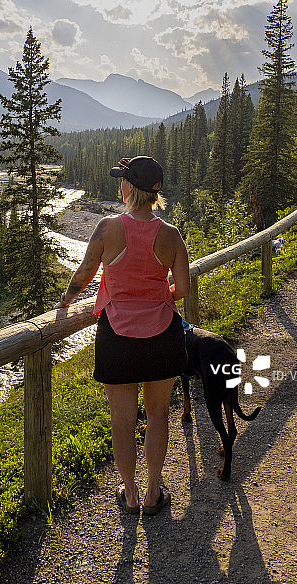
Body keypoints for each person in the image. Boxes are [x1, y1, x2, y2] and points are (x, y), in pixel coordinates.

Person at [54, 156, 190, 515]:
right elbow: (183, 290)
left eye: (122, 180)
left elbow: (83, 274)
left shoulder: (107, 228)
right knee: (158, 414)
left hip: (117, 337)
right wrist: (163, 295)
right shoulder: (172, 235)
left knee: (122, 420)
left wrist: (65, 302)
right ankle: (152, 492)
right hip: (162, 337)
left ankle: (129, 494)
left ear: (129, 188)